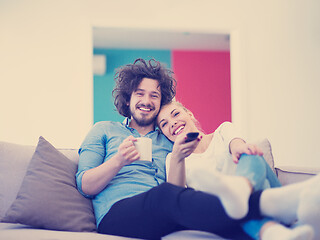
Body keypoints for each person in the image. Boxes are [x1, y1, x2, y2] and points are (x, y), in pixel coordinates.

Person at [76, 58, 317, 240]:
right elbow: (85, 185)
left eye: (154, 96)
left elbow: (204, 151)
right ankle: (273, 202)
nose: (147, 101)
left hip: (167, 214)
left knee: (211, 218)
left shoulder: (168, 140)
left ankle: (275, 230)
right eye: (140, 94)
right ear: (127, 99)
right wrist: (118, 160)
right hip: (118, 216)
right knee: (166, 195)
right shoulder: (104, 130)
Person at [157, 100, 316, 240]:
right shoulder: (174, 158)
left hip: (250, 196)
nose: (172, 122)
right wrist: (178, 156)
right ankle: (280, 229)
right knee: (234, 206)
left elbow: (237, 144)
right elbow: (176, 201)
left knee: (250, 154)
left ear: (189, 114)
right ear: (163, 133)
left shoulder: (223, 131)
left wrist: (239, 148)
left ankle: (242, 189)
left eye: (176, 114)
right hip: (223, 212)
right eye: (164, 124)